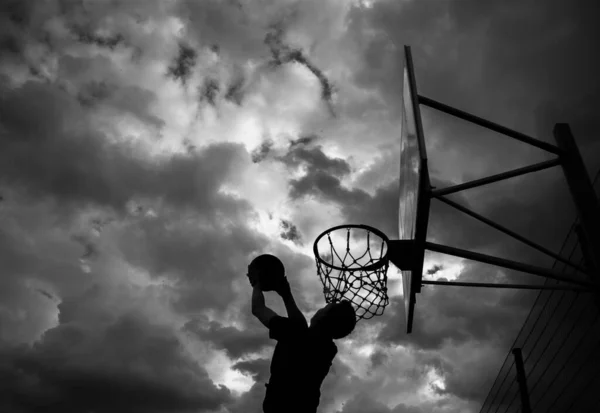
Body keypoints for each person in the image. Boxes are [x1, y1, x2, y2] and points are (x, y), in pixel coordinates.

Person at [247, 255, 356, 413]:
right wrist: (286, 295)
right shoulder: (327, 348)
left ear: (323, 317)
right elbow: (300, 326)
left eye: (324, 308)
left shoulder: (297, 335)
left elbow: (258, 309)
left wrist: (256, 283)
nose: (320, 309)